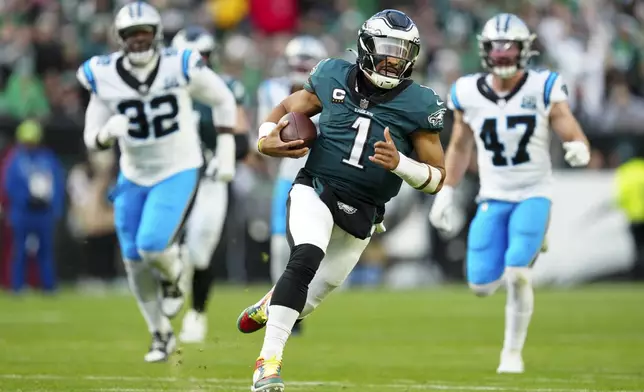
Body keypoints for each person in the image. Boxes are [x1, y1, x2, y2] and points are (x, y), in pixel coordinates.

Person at [237, 10, 446, 391]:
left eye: (401, 51)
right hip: (314, 187)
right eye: (386, 49)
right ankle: (267, 366)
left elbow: (437, 178)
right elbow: (286, 108)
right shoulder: (332, 74)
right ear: (366, 46)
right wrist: (266, 138)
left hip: (364, 212)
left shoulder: (419, 103)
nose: (392, 59)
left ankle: (272, 303)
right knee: (305, 258)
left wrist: (401, 164)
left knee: (310, 298)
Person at [429, 14, 590, 374]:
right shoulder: (467, 91)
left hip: (534, 190)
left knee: (517, 271)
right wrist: (446, 191)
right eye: (495, 48)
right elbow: (459, 145)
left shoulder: (543, 85)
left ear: (525, 49)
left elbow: (566, 121)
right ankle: (530, 241)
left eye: (509, 48)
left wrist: (577, 144)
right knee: (481, 285)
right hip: (493, 195)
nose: (502, 55)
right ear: (484, 51)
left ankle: (511, 354)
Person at [76, 2, 237, 362]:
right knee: (132, 257)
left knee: (151, 244)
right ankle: (159, 333)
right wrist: (105, 134)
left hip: (178, 167)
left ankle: (174, 271)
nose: (138, 40)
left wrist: (225, 150)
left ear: (157, 34)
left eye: (144, 32)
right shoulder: (103, 73)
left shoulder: (178, 64)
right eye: (131, 35)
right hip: (133, 173)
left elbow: (223, 99)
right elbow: (91, 136)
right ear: (120, 39)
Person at [171, 25, 250, 343]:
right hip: (173, 179)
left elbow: (243, 141)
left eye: (202, 56)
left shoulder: (225, 88)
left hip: (210, 181)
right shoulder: (165, 88)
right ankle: (172, 298)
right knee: (168, 246)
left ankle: (197, 313)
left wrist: (223, 153)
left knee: (201, 250)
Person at [257, 35, 328, 336]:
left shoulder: (331, 92)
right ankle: (284, 310)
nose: (299, 67)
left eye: (306, 62)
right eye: (296, 62)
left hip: (322, 175)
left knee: (311, 248)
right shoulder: (271, 90)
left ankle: (297, 302)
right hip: (288, 174)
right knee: (277, 244)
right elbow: (267, 130)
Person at [2, 119, 64, 293]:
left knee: (45, 251)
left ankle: (48, 286)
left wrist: (55, 206)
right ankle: (17, 286)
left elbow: (57, 184)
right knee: (19, 251)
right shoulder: (15, 159)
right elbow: (9, 185)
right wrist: (25, 199)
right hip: (22, 211)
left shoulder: (47, 158)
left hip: (44, 212)